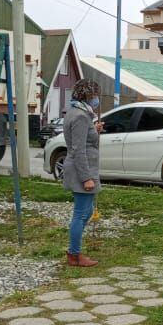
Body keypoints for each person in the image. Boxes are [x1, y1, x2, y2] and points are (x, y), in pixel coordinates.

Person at [63, 79, 102, 267]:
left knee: (85, 212)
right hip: (82, 170)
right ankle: (74, 254)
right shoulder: (80, 116)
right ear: (87, 95)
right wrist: (86, 178)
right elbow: (78, 149)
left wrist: (94, 130)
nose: (96, 98)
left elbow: (83, 139)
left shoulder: (79, 113)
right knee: (80, 213)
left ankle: (74, 251)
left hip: (85, 167)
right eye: (94, 95)